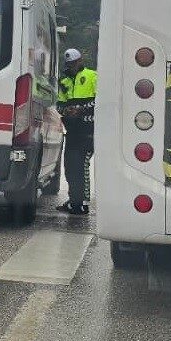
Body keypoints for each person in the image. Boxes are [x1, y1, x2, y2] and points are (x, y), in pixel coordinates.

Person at [57, 48, 97, 215]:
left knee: (82, 166)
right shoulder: (64, 81)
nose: (72, 66)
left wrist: (81, 109)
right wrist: (67, 111)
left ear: (80, 61)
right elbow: (59, 104)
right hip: (72, 132)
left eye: (74, 63)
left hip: (88, 131)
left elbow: (100, 101)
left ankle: (83, 203)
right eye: (69, 64)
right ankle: (74, 201)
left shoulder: (92, 76)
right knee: (70, 168)